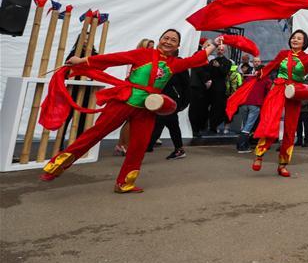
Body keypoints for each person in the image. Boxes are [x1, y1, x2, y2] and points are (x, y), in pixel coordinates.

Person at [40, 31, 220, 193]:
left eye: (173, 40)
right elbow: (114, 58)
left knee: (139, 146)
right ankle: (55, 167)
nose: (169, 42)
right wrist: (82, 61)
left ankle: (124, 183)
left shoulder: (174, 64)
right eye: (166, 38)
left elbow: (196, 60)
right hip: (125, 101)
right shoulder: (143, 54)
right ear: (159, 40)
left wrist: (216, 43)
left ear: (177, 46)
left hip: (147, 109)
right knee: (95, 134)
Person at [231, 30, 308, 177]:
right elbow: (270, 67)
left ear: (304, 43)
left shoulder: (307, 59)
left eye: (299, 38)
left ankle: (283, 165)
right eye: (293, 37)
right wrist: (259, 74)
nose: (295, 40)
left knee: (290, 128)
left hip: (294, 92)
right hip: (278, 89)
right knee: (270, 121)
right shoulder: (283, 54)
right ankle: (259, 155)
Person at [146, 49, 191, 160]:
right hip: (162, 98)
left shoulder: (179, 64)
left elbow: (186, 84)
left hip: (172, 100)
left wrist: (183, 102)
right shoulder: (161, 64)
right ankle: (177, 149)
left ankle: (147, 146)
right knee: (168, 123)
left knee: (162, 122)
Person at [115, 38, 155, 156]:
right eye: (149, 46)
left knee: (131, 120)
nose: (152, 49)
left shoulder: (151, 59)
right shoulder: (137, 57)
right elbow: (130, 74)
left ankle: (122, 144)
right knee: (130, 120)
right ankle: (125, 145)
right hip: (133, 90)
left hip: (141, 91)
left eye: (153, 46)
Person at [236, 65, 272, 153]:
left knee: (246, 125)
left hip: (244, 104)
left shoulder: (249, 78)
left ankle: (246, 144)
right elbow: (269, 93)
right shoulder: (266, 80)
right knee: (248, 126)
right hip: (255, 104)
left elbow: (241, 88)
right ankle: (241, 146)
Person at [207, 44, 232, 134]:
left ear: (224, 51)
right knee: (211, 107)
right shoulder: (212, 61)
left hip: (220, 87)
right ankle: (210, 125)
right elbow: (208, 72)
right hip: (210, 87)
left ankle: (215, 125)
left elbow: (225, 73)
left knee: (218, 107)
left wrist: (219, 66)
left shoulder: (227, 62)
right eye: (218, 49)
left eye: (221, 50)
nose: (219, 51)